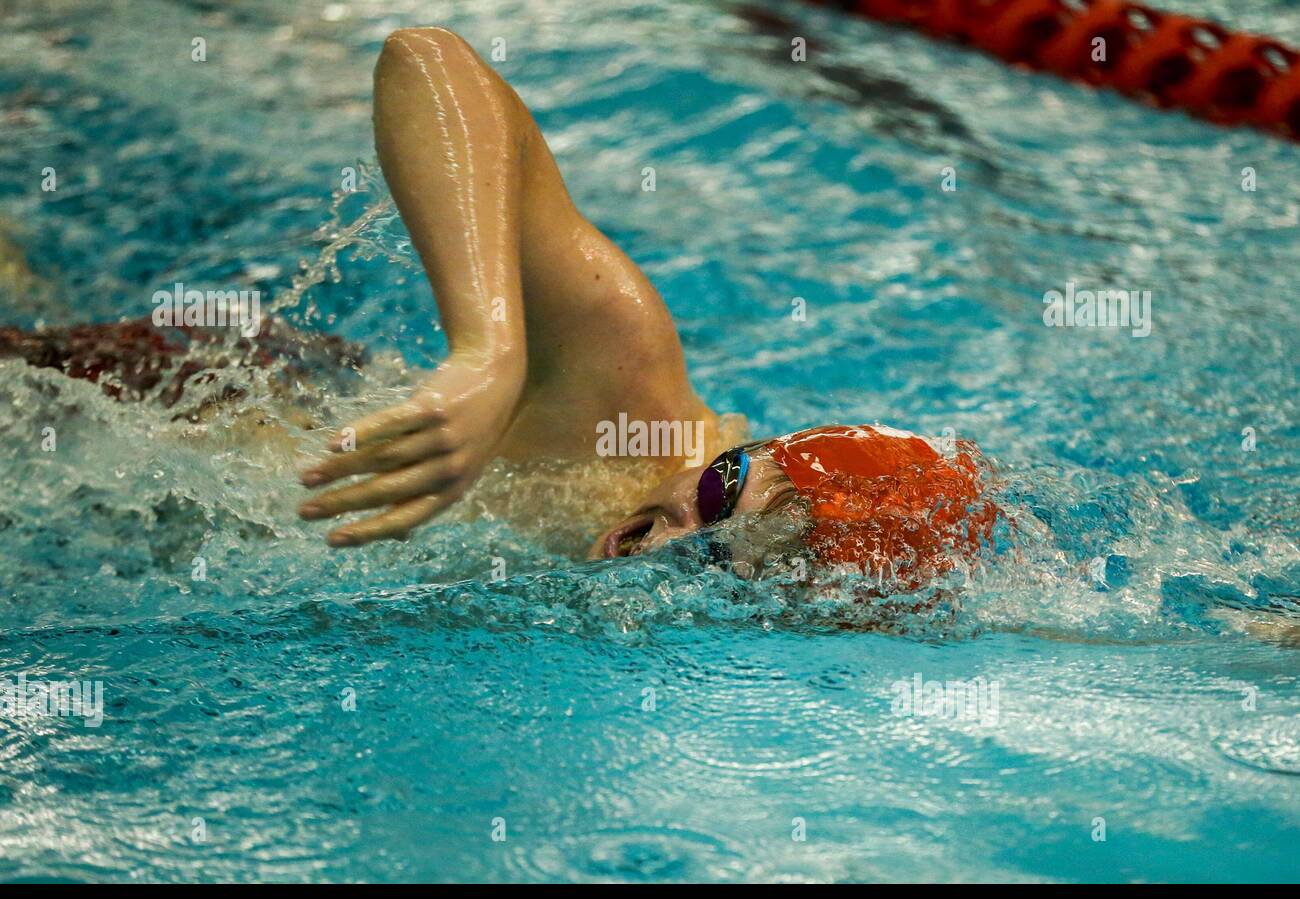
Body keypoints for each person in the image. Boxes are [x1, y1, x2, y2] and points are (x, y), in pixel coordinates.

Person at [2, 27, 998, 585]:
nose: (677, 538)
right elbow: (431, 61)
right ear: (739, 447)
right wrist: (490, 347)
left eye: (730, 573)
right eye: (721, 488)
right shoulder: (628, 391)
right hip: (175, 389)